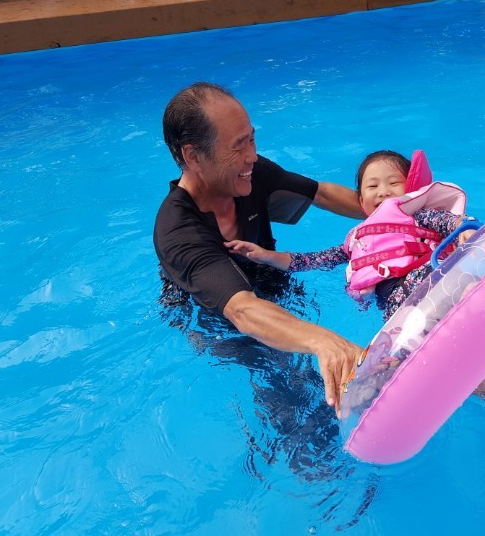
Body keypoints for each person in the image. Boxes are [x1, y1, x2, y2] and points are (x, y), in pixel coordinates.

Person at [226, 150, 485, 429]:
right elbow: (310, 260)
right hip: (409, 322)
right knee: (462, 373)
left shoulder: (417, 216)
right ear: (361, 199)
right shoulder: (355, 241)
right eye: (372, 186)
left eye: (393, 183)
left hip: (441, 289)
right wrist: (265, 255)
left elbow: (456, 223)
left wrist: (470, 237)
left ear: (410, 190)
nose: (383, 192)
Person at [153, 82, 366, 416]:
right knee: (293, 402)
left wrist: (404, 208)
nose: (252, 155)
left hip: (267, 283)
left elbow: (321, 193)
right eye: (238, 146)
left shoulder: (250, 175)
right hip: (216, 318)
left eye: (251, 139)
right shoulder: (178, 231)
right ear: (193, 156)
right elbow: (241, 310)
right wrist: (323, 341)